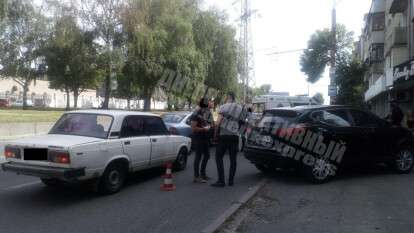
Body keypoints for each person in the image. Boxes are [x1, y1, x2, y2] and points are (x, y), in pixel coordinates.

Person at [211, 92, 245, 187]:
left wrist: (214, 135)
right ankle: (231, 181)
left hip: (224, 136)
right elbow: (243, 123)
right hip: (234, 136)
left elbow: (217, 123)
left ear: (228, 97)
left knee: (218, 157)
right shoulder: (240, 108)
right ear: (234, 98)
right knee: (233, 159)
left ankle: (221, 181)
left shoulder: (223, 107)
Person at [190, 98, 214, 183]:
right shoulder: (196, 113)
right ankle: (196, 177)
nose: (210, 104)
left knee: (207, 155)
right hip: (198, 138)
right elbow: (193, 128)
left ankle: (203, 174)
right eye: (208, 102)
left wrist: (210, 126)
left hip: (205, 138)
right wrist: (204, 129)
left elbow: (209, 123)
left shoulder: (206, 113)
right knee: (198, 156)